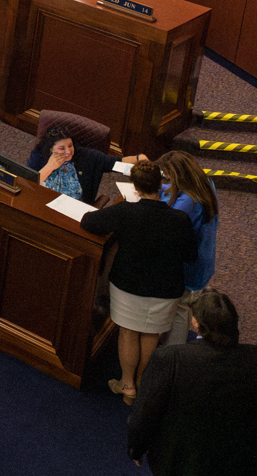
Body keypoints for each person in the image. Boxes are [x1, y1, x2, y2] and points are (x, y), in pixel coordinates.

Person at [126, 289, 257, 476]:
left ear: (196, 324)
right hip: (236, 468)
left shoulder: (171, 359)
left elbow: (145, 414)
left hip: (183, 469)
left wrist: (136, 447)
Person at [83, 163, 197, 404]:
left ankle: (127, 386)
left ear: (135, 187)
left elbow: (88, 222)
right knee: (151, 335)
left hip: (129, 286)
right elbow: (190, 255)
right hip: (165, 289)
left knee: (128, 332)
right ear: (160, 186)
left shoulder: (125, 211)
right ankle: (142, 379)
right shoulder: (180, 218)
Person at [157, 150, 221, 344]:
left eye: (166, 174)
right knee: (185, 308)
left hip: (187, 269)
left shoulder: (188, 202)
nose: (164, 177)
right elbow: (171, 194)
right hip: (203, 260)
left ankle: (174, 353)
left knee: (179, 311)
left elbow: (165, 221)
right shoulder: (204, 183)